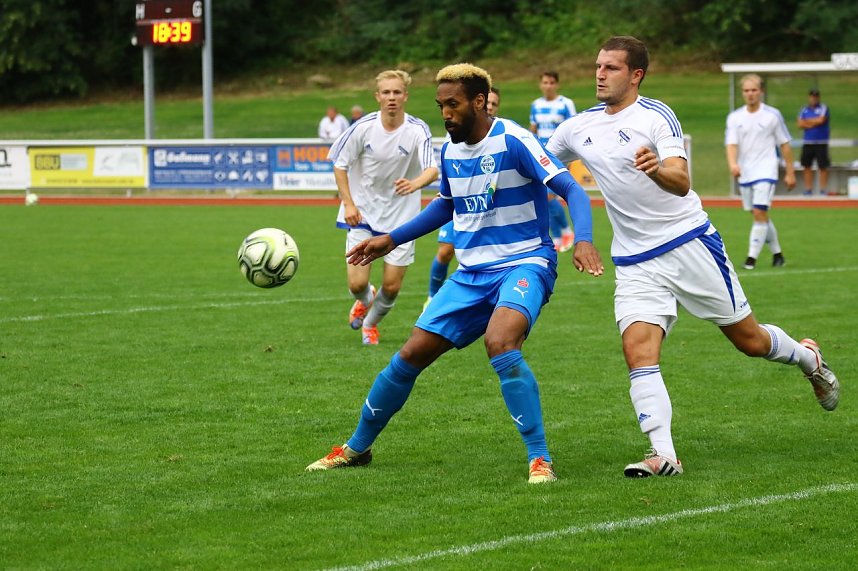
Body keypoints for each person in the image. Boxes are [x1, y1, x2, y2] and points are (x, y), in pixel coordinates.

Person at [547, 35, 840, 479]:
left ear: (636, 75)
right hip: (635, 260)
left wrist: (655, 168)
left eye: (611, 68)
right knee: (637, 349)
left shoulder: (656, 116)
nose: (600, 75)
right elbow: (538, 163)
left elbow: (681, 180)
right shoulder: (577, 127)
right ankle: (663, 454)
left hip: (688, 244)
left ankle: (807, 359)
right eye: (598, 66)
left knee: (750, 341)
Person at [307, 63, 604, 483]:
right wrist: (391, 239)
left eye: (454, 104)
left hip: (524, 262)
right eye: (440, 105)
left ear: (479, 102)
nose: (445, 114)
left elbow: (571, 188)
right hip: (470, 274)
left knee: (500, 342)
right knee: (409, 355)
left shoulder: (514, 139)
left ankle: (540, 459)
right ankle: (357, 448)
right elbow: (447, 204)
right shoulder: (449, 150)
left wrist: (584, 239)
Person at [328, 70, 439, 345]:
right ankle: (366, 300)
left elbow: (432, 169)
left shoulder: (417, 130)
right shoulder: (362, 127)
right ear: (377, 96)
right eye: (386, 92)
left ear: (405, 96)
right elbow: (340, 165)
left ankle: (370, 325)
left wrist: (414, 183)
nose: (392, 97)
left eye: (397, 92)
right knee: (356, 284)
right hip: (362, 214)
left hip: (402, 218)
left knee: (391, 287)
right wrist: (348, 204)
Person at [424, 86, 501, 310]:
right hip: (459, 205)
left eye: (494, 104)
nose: (489, 107)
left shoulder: (504, 138)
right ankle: (432, 297)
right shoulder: (456, 139)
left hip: (488, 211)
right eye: (487, 102)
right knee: (445, 251)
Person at [725, 73, 795, 270]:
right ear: (742, 93)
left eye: (754, 90)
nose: (750, 94)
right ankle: (778, 254)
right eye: (746, 90)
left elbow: (785, 144)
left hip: (766, 170)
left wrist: (790, 172)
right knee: (759, 215)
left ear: (761, 92)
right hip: (746, 172)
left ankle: (751, 258)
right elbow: (731, 144)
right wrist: (733, 164)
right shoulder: (735, 117)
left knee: (759, 211)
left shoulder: (772, 115)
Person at [530, 71, 577, 253]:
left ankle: (564, 231)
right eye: (545, 82)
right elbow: (533, 131)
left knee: (549, 196)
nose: (548, 86)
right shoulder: (536, 105)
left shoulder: (565, 104)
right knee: (543, 197)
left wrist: (570, 156)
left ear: (557, 84)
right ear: (540, 84)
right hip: (541, 157)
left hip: (559, 157)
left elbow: (572, 130)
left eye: (551, 82)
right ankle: (558, 235)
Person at [797, 88, 831, 196]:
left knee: (823, 166)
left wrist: (807, 122)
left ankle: (823, 189)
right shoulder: (804, 109)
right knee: (807, 166)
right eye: (812, 96)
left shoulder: (823, 108)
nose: (814, 99)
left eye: (816, 96)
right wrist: (813, 122)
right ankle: (808, 189)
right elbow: (800, 124)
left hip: (821, 142)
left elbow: (821, 120)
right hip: (808, 142)